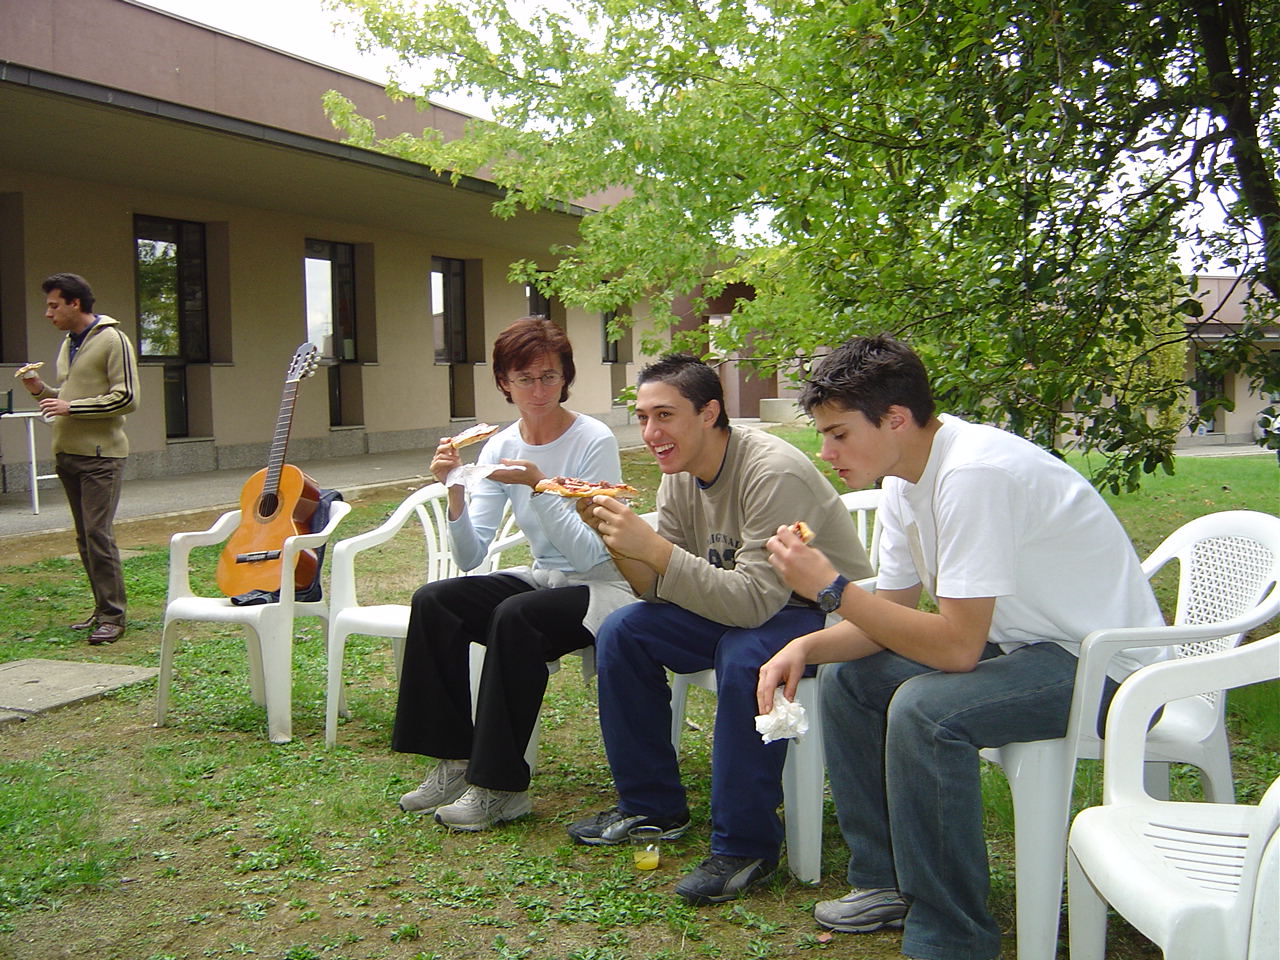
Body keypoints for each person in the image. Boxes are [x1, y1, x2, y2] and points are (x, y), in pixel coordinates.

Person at [758, 334, 1164, 960]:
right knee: (850, 680)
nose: (826, 451)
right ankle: (885, 881)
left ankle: (953, 937)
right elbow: (891, 616)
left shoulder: (973, 473)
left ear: (895, 419)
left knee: (926, 712)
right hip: (1024, 647)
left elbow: (956, 651)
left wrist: (832, 589)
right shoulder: (904, 478)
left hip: (1109, 667)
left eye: (839, 434)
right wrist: (807, 647)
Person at [567, 354, 873, 905]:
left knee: (744, 652)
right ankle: (651, 806)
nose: (651, 433)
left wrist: (654, 547)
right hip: (744, 602)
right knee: (625, 630)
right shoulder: (679, 477)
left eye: (665, 415)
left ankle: (745, 846)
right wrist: (619, 542)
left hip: (821, 610)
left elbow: (756, 602)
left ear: (709, 413)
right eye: (643, 418)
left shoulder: (771, 471)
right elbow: (658, 590)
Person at [393, 316, 634, 832]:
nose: (538, 390)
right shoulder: (500, 446)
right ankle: (454, 761)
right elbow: (469, 556)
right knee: (435, 601)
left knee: (516, 615)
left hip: (604, 586)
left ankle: (501, 788)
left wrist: (541, 488)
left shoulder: (593, 439)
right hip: (546, 579)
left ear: (565, 377)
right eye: (525, 379)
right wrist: (455, 487)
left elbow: (591, 555)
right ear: (504, 382)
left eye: (549, 376)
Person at [19, 273, 139, 645]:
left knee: (98, 535)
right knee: (85, 537)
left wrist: (71, 407)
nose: (48, 313)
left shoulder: (113, 339)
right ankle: (102, 610)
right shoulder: (69, 343)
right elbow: (68, 398)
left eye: (54, 305)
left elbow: (127, 398)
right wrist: (41, 390)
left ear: (75, 303)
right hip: (68, 453)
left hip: (101, 457)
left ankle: (114, 617)